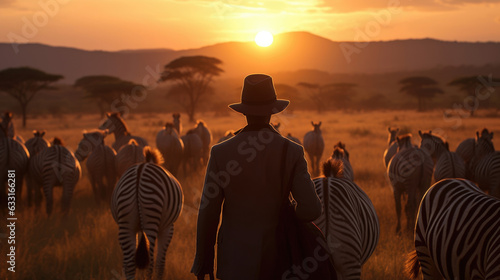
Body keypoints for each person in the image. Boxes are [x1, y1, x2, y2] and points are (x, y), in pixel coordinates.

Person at [191, 74, 322, 280]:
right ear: (273, 112)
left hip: (233, 262)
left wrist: (203, 260)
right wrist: (289, 211)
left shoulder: (220, 152)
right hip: (281, 261)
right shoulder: (292, 151)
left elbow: (209, 212)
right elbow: (312, 209)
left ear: (244, 111)